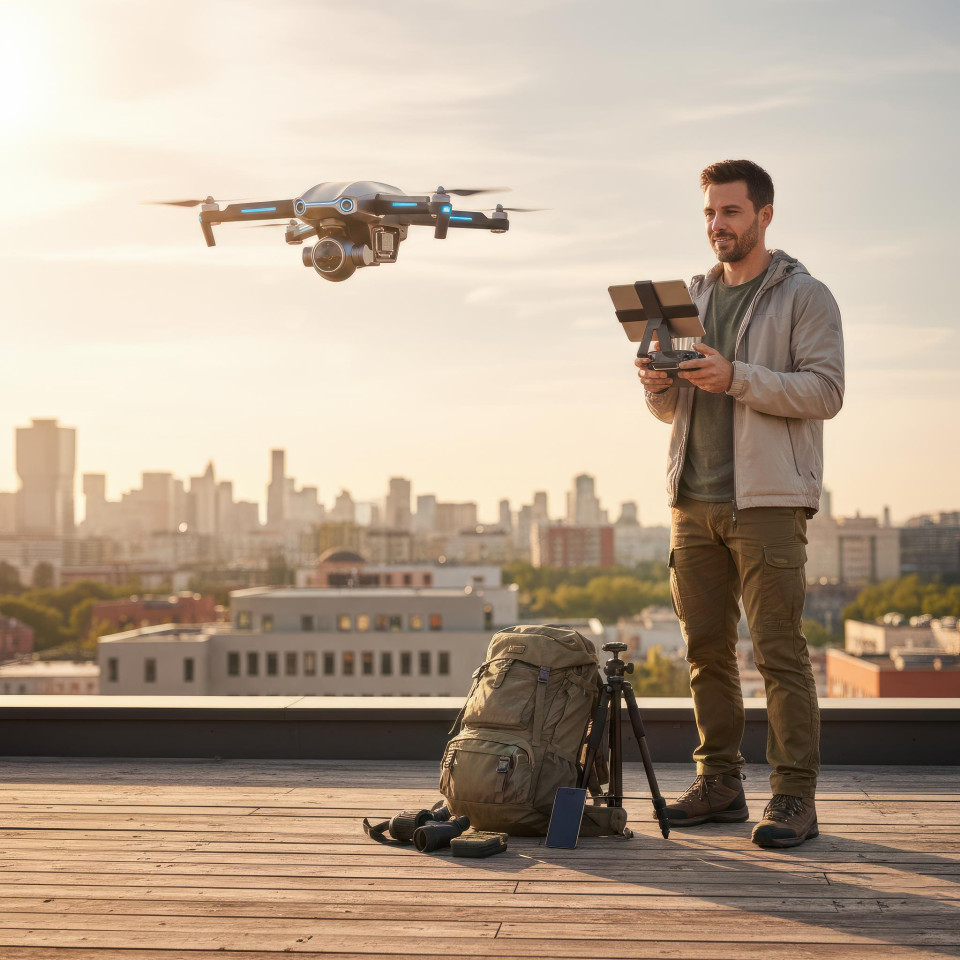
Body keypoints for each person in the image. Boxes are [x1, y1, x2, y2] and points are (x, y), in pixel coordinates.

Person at [635, 159, 844, 849]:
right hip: (692, 501)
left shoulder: (805, 296)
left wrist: (736, 376)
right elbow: (673, 411)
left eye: (730, 211)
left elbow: (826, 392)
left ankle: (794, 797)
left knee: (779, 653)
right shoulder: (688, 299)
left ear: (764, 215)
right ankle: (720, 783)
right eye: (709, 212)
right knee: (706, 652)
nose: (717, 224)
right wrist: (657, 384)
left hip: (768, 502)